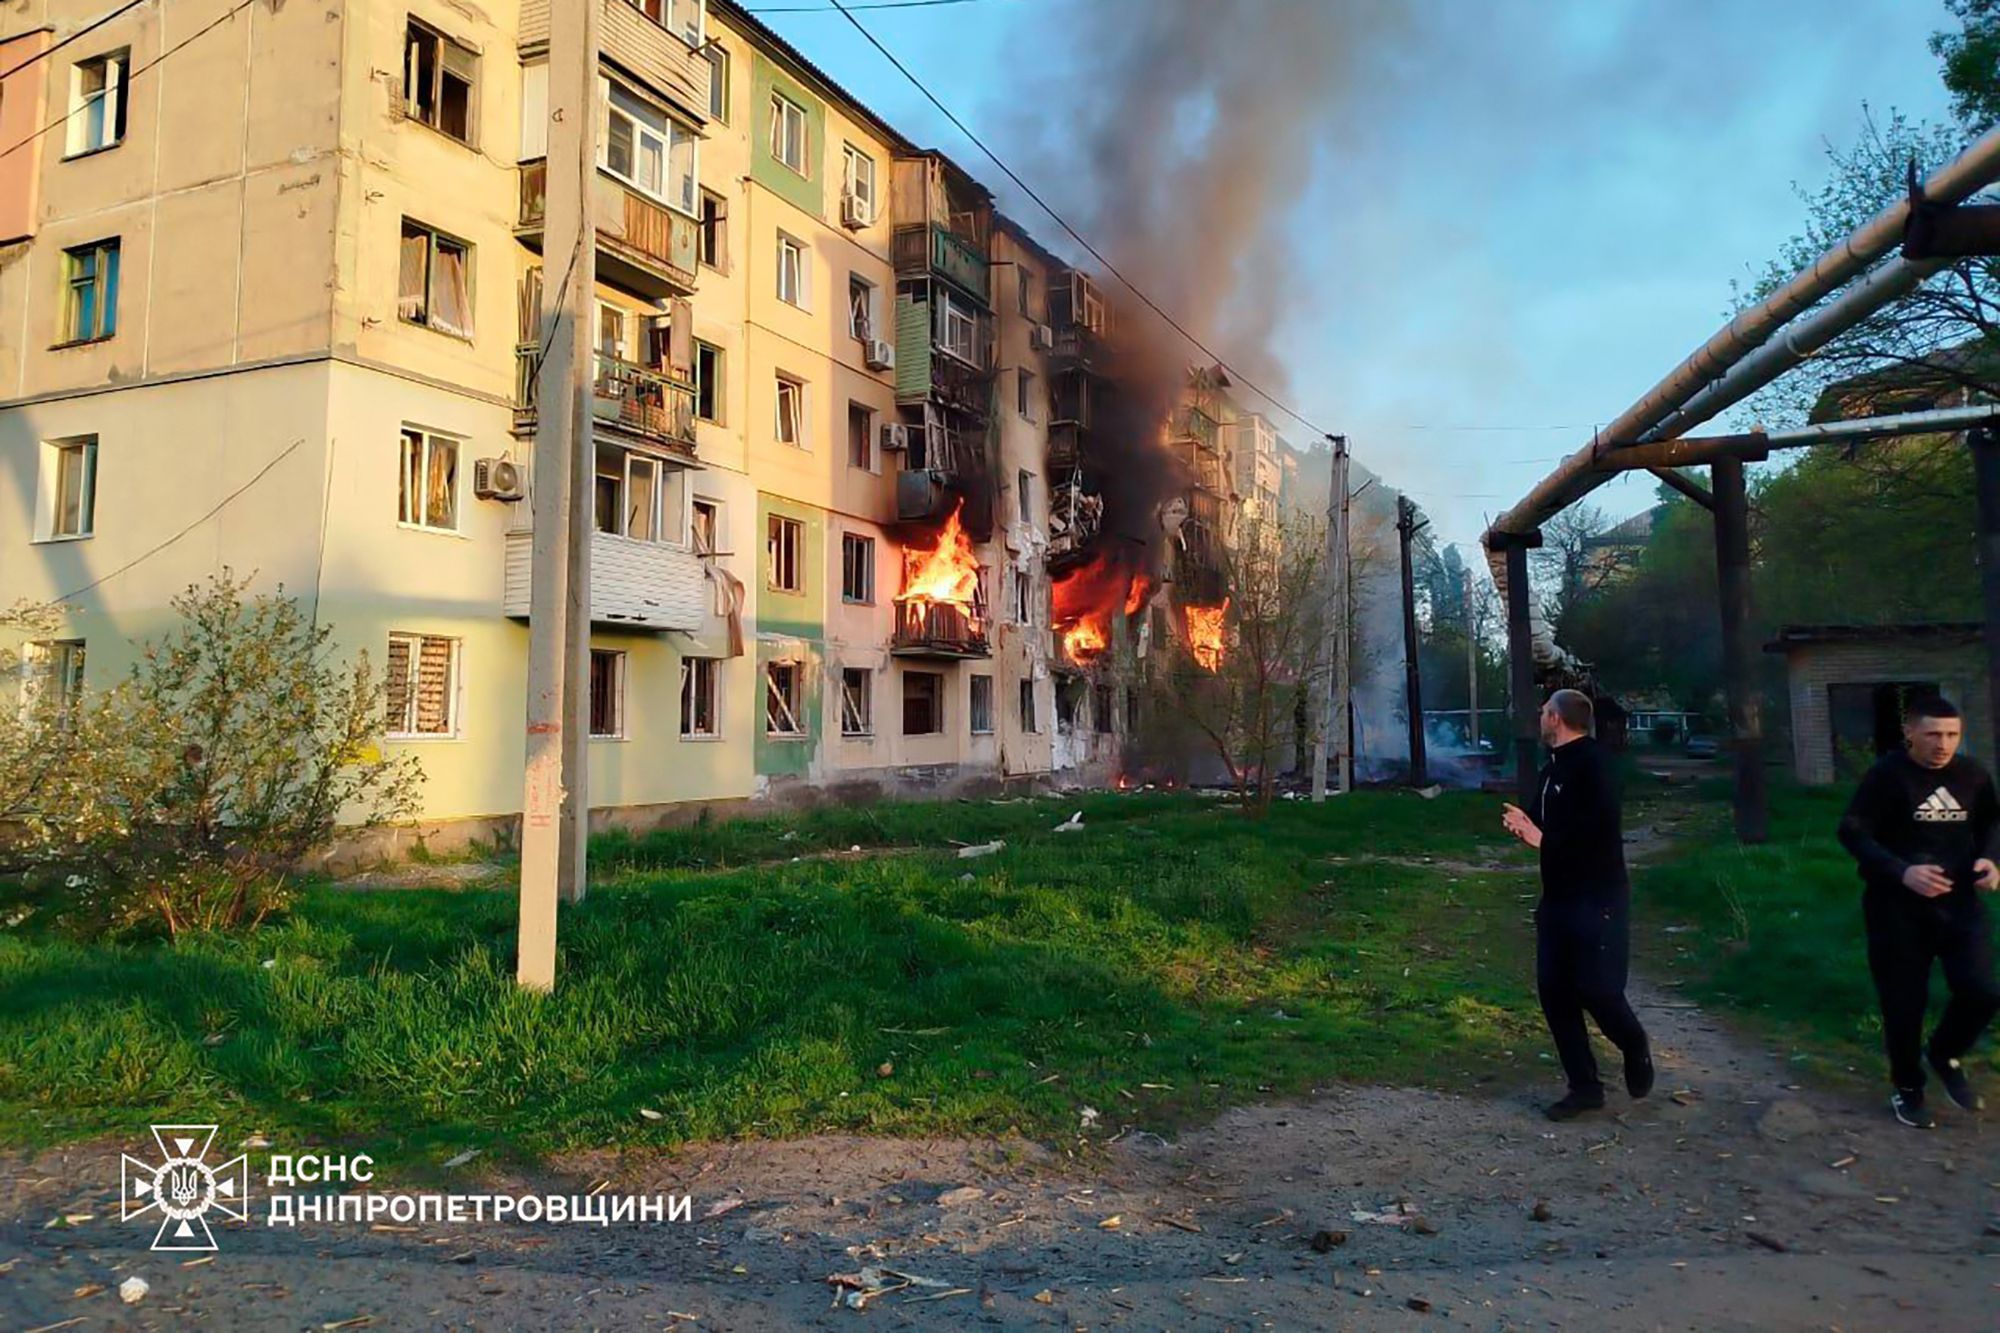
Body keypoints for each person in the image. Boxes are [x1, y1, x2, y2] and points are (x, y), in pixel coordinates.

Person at [1836, 695, 2000, 1129]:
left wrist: (1991, 860)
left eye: (1951, 735)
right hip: (1897, 908)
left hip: (1960, 903)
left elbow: (1992, 825)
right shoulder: (1887, 777)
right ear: (1910, 733)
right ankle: (1908, 1087)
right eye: (1932, 734)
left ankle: (1945, 1053)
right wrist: (1901, 871)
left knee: (1982, 990)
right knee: (1904, 1004)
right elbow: (1852, 831)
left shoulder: (1973, 776)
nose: (1942, 744)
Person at [1501, 688, 1654, 1121]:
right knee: (1555, 992)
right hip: (1559, 899)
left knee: (1598, 989)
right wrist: (1524, 824)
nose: (1540, 716)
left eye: (1545, 711)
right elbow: (1543, 825)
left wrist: (1543, 839)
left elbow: (1598, 834)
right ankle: (1584, 1086)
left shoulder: (1596, 766)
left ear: (1559, 719)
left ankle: (1634, 1044)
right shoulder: (1553, 771)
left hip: (1598, 898)